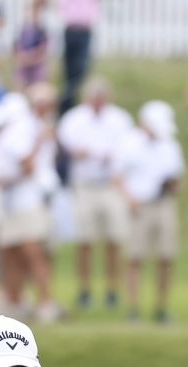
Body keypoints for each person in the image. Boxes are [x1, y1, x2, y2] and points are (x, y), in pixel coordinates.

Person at [57, 77, 133, 311]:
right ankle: (85, 289)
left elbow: (128, 149)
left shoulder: (120, 119)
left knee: (114, 240)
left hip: (111, 184)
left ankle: (112, 289)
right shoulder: (74, 119)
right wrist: (82, 153)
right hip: (85, 184)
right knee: (85, 241)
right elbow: (66, 148)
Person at [0, 87, 62, 324]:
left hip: (26, 201)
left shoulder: (22, 131)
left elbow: (27, 165)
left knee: (32, 251)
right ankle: (15, 300)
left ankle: (45, 302)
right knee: (10, 252)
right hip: (10, 203)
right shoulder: (24, 131)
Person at [115, 100, 182, 325]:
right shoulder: (129, 143)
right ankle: (133, 308)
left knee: (166, 256)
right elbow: (118, 176)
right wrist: (129, 199)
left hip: (164, 204)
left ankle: (161, 308)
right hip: (138, 205)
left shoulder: (170, 144)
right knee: (135, 257)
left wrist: (171, 184)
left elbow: (177, 178)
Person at [57, 0, 99, 115]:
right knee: (69, 71)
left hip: (84, 31)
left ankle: (67, 101)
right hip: (70, 30)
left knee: (81, 69)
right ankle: (67, 103)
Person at [14, 0, 48, 90]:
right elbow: (18, 47)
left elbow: (43, 50)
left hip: (37, 69)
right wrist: (23, 58)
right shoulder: (23, 30)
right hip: (24, 68)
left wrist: (32, 58)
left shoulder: (43, 30)